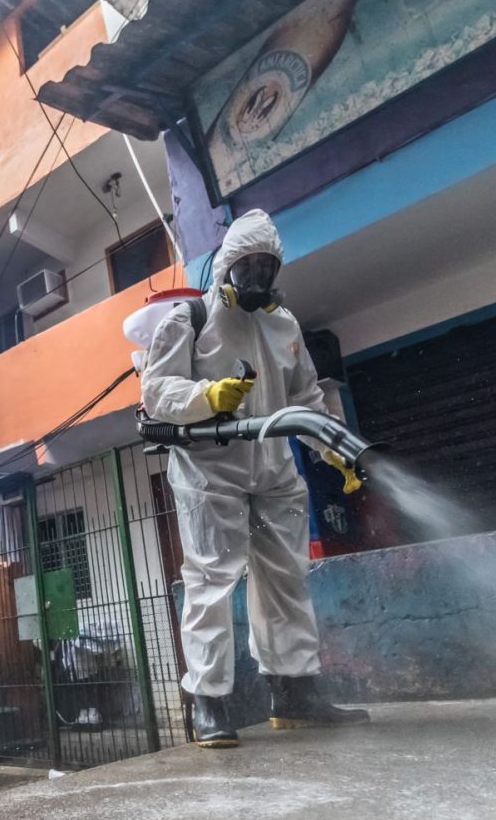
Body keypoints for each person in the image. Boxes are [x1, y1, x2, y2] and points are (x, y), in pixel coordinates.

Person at [140, 208, 369, 748]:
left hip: (273, 468)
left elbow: (306, 399)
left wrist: (333, 449)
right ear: (227, 266)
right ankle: (210, 701)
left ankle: (293, 692)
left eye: (268, 268)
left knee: (287, 578)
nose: (258, 279)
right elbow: (157, 392)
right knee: (212, 581)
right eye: (249, 266)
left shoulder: (285, 326)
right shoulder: (189, 319)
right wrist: (206, 397)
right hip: (209, 472)